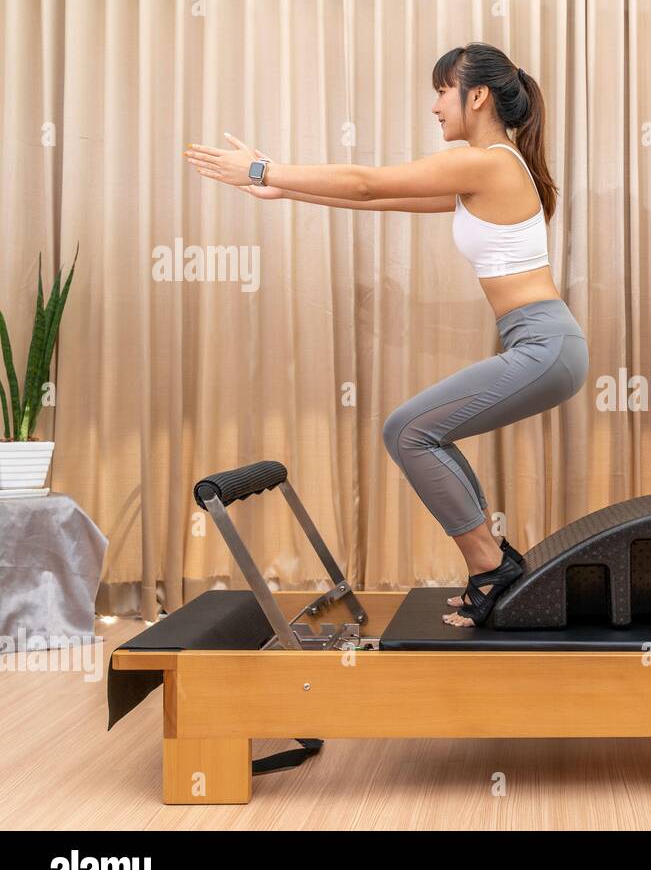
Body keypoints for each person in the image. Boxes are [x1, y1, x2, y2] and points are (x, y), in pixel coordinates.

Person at [184, 42, 587, 628]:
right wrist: (283, 188)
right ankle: (493, 562)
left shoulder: (490, 161)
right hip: (543, 344)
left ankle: (489, 565)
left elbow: (367, 182)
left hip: (544, 346)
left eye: (443, 90)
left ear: (476, 96)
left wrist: (261, 169)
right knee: (425, 432)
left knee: (407, 430)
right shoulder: (487, 168)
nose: (435, 105)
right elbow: (386, 198)